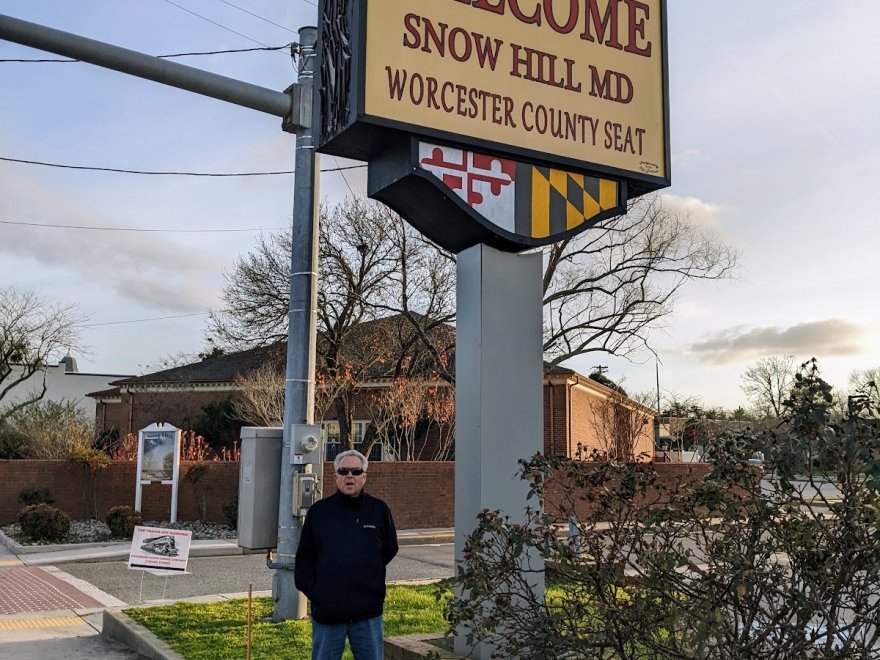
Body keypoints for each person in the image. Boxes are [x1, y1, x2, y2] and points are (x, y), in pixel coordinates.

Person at [295, 449, 398, 660]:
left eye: (356, 471)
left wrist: (368, 573)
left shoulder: (379, 510)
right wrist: (318, 593)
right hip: (328, 613)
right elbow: (305, 558)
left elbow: (390, 548)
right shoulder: (319, 512)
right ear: (336, 476)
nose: (350, 476)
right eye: (343, 471)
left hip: (367, 613)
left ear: (364, 477)